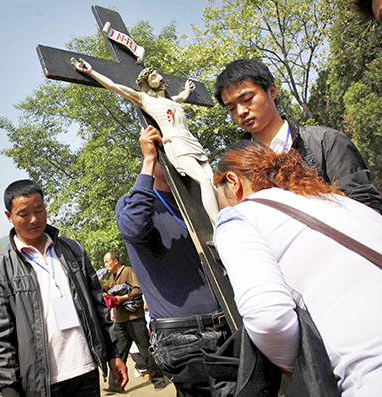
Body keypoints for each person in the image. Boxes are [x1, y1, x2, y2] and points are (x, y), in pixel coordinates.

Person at [213, 140, 382, 396]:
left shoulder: (238, 216)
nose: (222, 205)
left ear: (233, 182)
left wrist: (296, 370)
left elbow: (268, 317)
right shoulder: (336, 199)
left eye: (220, 196)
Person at [0, 180, 128, 397]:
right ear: (8, 216)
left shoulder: (73, 251)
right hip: (41, 383)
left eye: (39, 210)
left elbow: (99, 307)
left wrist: (113, 352)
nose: (34, 219)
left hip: (85, 369)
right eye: (23, 214)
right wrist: (9, 388)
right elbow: (0, 336)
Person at [115, 125, 230, 397]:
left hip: (226, 324)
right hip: (184, 335)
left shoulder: (199, 198)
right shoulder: (134, 203)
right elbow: (133, 228)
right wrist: (148, 161)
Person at [214, 58, 382, 214]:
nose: (241, 111)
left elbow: (365, 206)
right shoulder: (234, 166)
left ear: (272, 91)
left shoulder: (327, 142)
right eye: (231, 108)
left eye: (247, 99)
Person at [70, 58, 219, 226]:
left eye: (158, 74)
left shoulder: (171, 100)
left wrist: (186, 90)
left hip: (192, 141)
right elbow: (113, 85)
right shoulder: (145, 100)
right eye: (153, 77)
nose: (159, 77)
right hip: (176, 143)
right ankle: (218, 226)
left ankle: (227, 220)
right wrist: (90, 71)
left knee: (214, 183)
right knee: (204, 181)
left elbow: (182, 97)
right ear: (147, 84)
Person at [101, 251, 166, 392]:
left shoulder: (128, 272)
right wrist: (98, 280)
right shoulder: (112, 277)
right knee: (119, 352)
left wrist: (123, 298)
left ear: (115, 261)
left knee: (144, 349)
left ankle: (158, 379)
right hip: (120, 320)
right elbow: (104, 289)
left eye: (107, 261)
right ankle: (115, 385)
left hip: (134, 318)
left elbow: (139, 289)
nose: (105, 265)